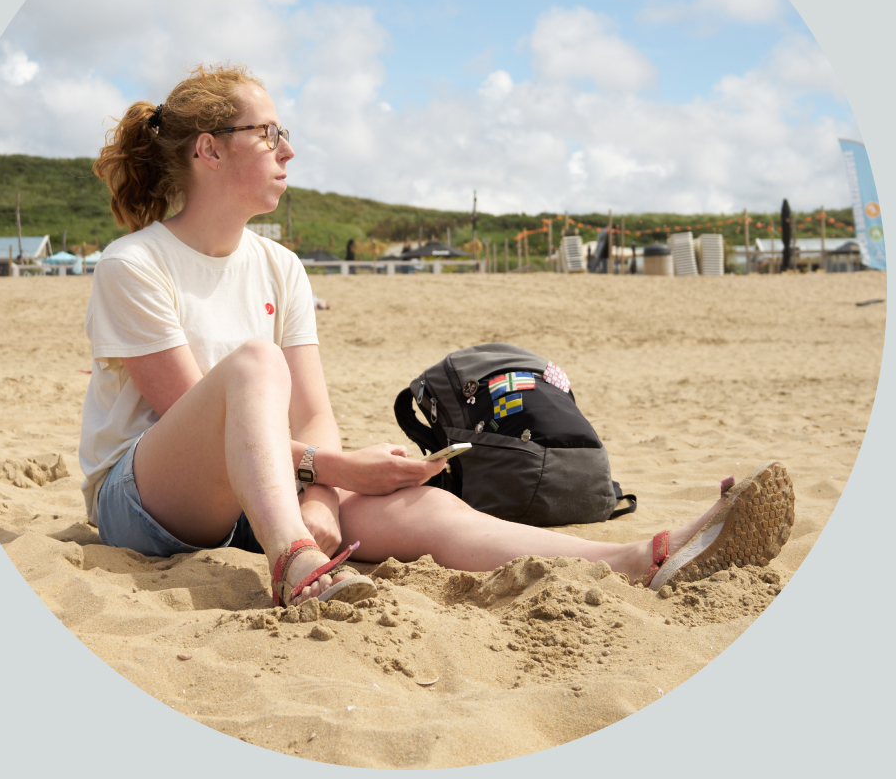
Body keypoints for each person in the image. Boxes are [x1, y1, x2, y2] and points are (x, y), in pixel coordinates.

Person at [79, 64, 794, 609]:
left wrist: (328, 495)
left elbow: (313, 413)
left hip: (257, 494)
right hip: (145, 502)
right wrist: (333, 473)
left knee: (425, 506)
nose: (287, 150)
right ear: (207, 150)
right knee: (252, 367)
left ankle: (640, 555)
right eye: (266, 133)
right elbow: (190, 419)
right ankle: (293, 561)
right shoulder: (133, 264)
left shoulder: (279, 265)